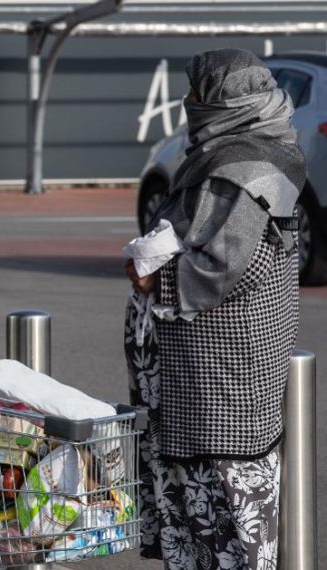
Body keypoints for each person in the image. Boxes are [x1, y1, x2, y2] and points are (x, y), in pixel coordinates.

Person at [124, 48, 305, 570]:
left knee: (225, 518)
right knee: (209, 512)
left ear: (225, 102)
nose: (189, 103)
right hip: (219, 373)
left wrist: (152, 278)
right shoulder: (260, 147)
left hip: (218, 378)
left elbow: (227, 266)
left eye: (198, 94)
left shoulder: (241, 167)